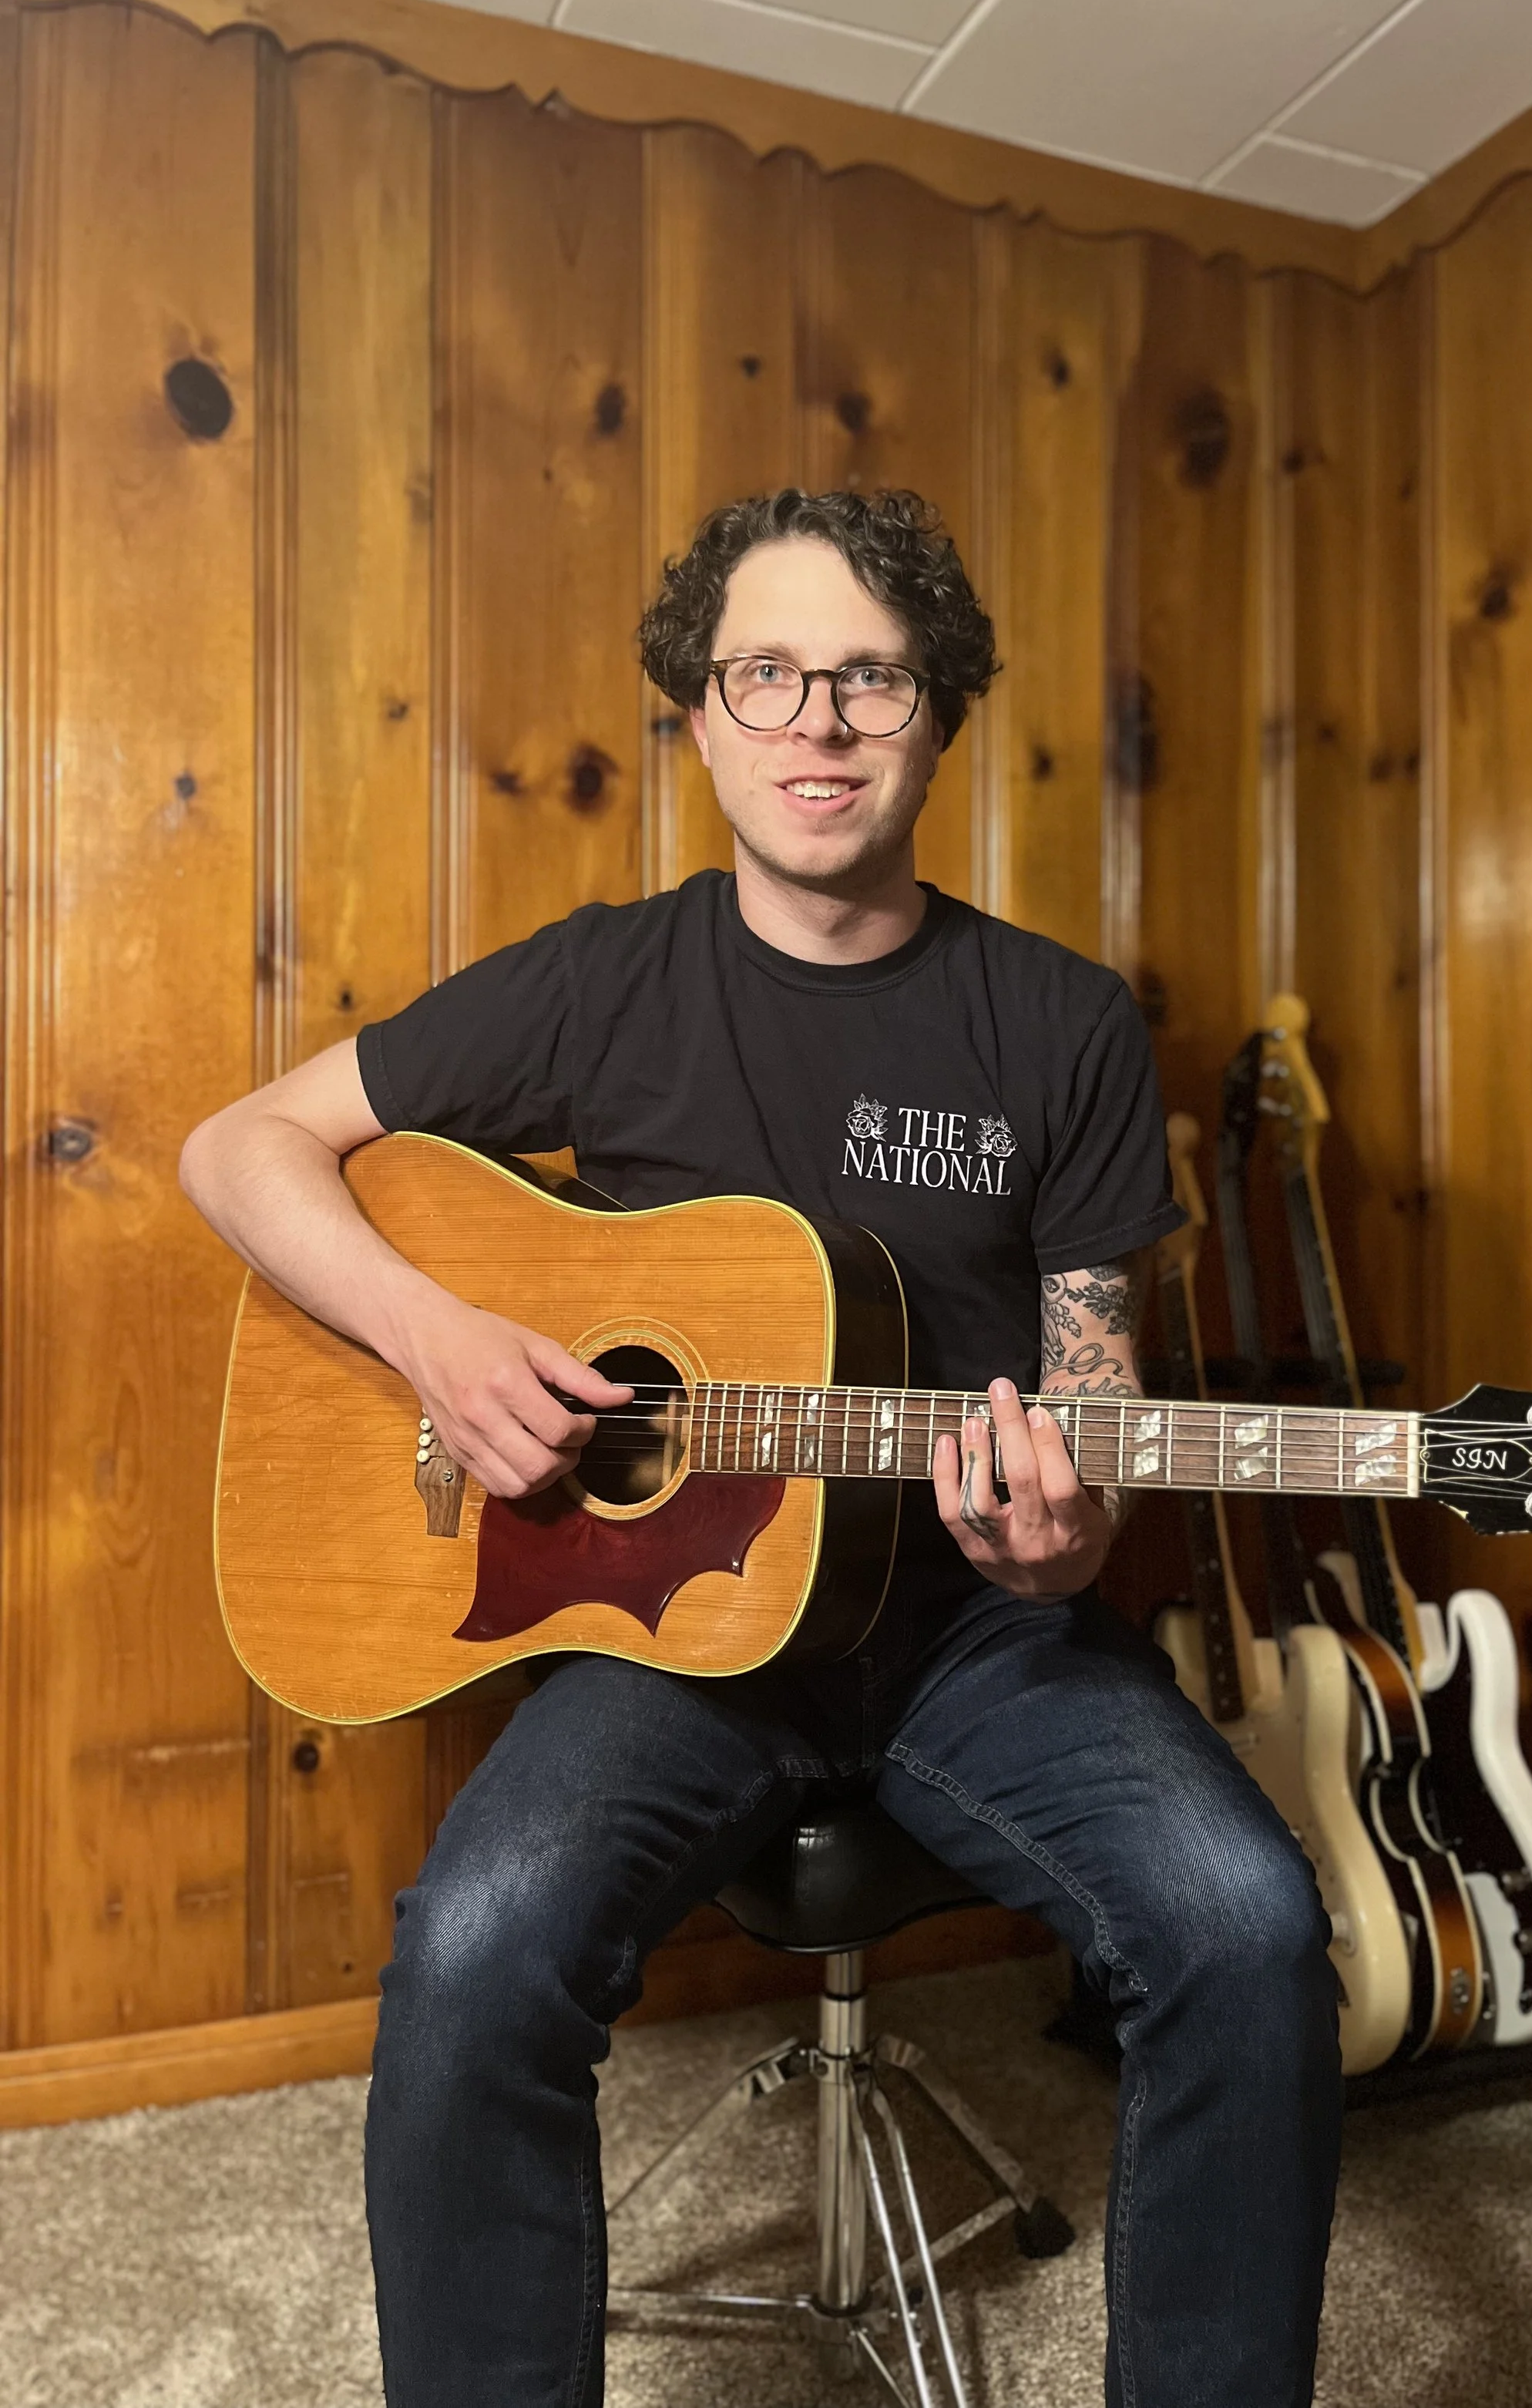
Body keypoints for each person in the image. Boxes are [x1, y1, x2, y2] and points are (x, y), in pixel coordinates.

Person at [180, 487, 1341, 2407]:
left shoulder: (1056, 1022)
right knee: (471, 1956)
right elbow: (244, 1148)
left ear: (935, 713)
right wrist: (441, 1337)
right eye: (767, 674)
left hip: (980, 1633)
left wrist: (1067, 1530)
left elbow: (1097, 1391)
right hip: (673, 1647)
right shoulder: (604, 979)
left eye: (869, 678)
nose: (817, 720)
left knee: (1243, 1924)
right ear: (700, 717)